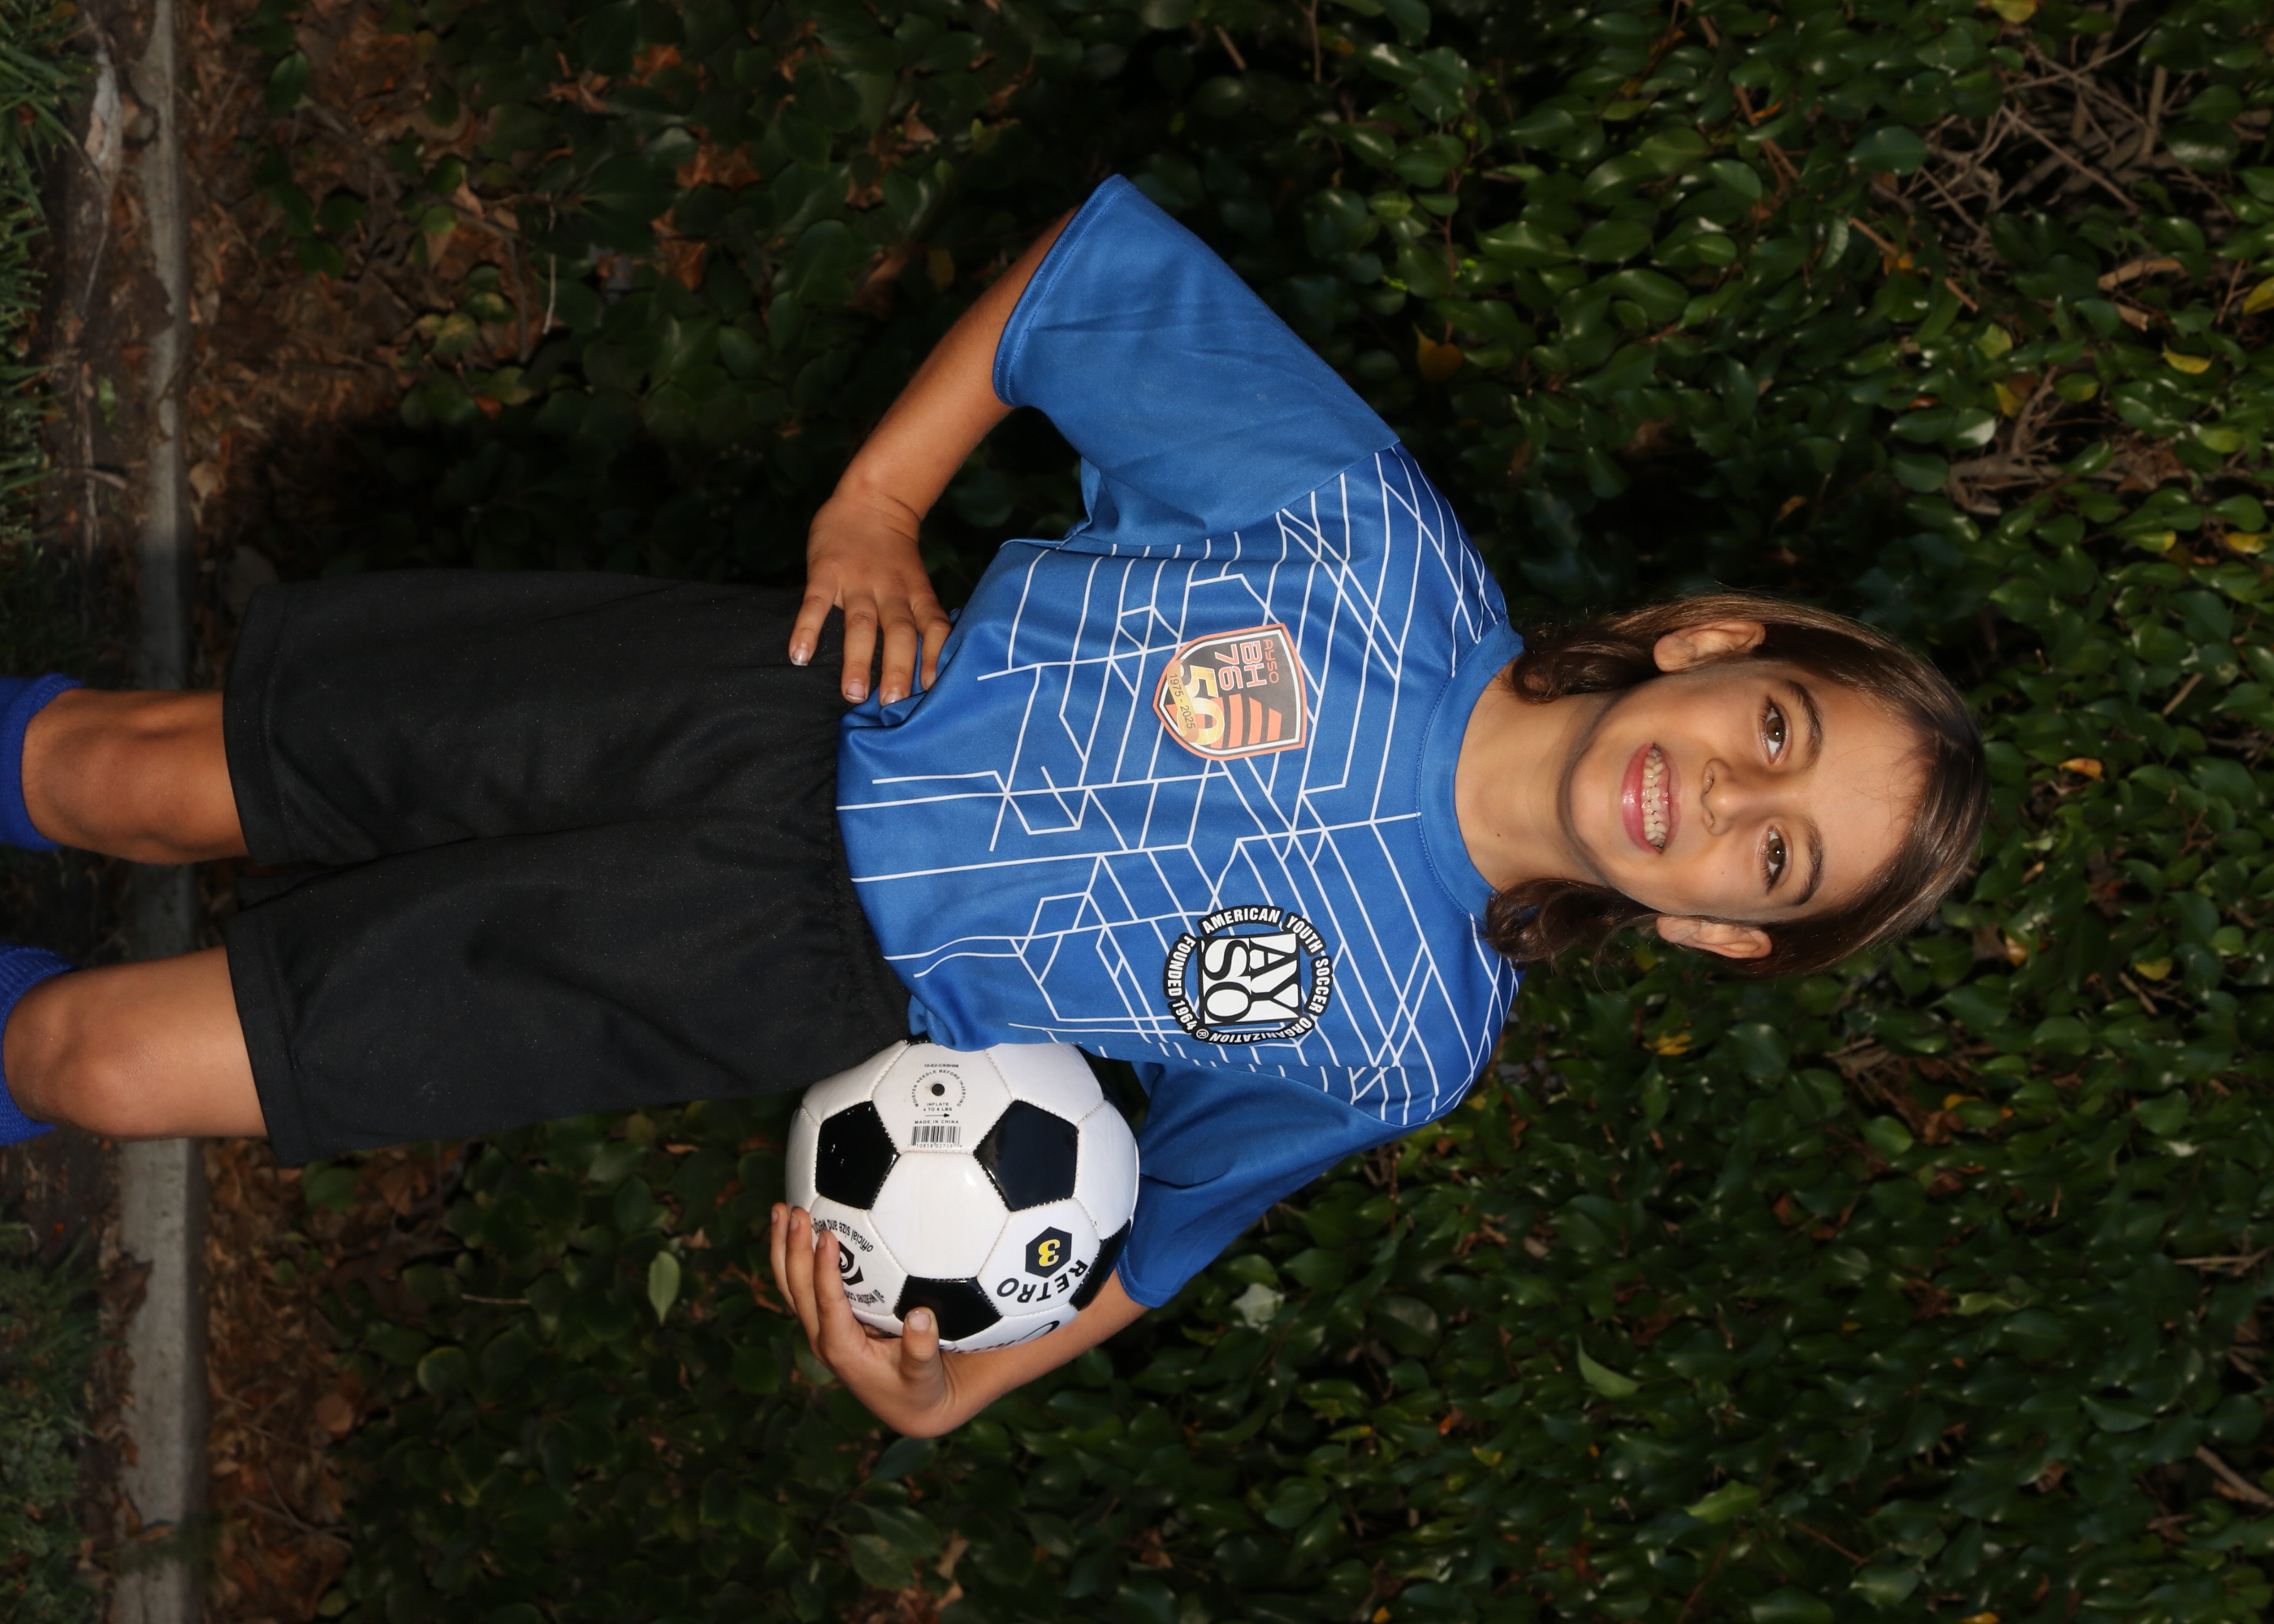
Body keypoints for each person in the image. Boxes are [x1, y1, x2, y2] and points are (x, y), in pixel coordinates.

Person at [0, 179, 1986, 1437]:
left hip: (753, 975)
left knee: (88, 1058)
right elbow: (1085, 283)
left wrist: (961, 1384)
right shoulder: (1365, 540)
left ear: (1722, 931)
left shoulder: (1400, 1039)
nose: (1724, 792)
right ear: (1710, 643)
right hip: (761, 698)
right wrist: (877, 499)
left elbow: (1160, 1234)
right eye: (1776, 725)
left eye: (1776, 852)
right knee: (124, 777)